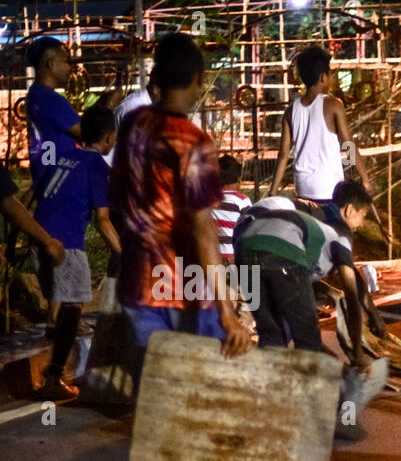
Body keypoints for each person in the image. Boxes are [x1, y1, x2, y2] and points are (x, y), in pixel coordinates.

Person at [111, 32, 252, 364]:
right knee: (205, 392)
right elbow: (204, 231)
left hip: (136, 285)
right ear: (198, 79)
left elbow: (117, 196)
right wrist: (227, 312)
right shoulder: (192, 141)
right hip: (182, 289)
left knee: (156, 394)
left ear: (157, 76)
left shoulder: (132, 124)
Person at [234, 181, 388, 424]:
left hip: (243, 247)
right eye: (362, 217)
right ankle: (312, 415)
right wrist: (357, 353)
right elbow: (352, 296)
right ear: (349, 212)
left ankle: (265, 411)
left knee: (271, 335)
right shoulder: (340, 237)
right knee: (308, 341)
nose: (360, 226)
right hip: (279, 247)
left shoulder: (314, 233)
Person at [31, 106, 121, 402]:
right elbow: (103, 220)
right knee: (73, 308)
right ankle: (53, 376)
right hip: (64, 243)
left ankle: (56, 367)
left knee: (67, 308)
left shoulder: (66, 156)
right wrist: (126, 253)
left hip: (39, 237)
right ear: (109, 138)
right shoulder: (97, 165)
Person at [270, 45, 371, 204]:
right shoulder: (333, 104)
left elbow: (283, 156)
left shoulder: (290, 111)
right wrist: (363, 178)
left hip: (302, 189)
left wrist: (272, 190)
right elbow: (347, 144)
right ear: (323, 77)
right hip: (328, 189)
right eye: (330, 74)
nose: (332, 79)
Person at [25, 37, 82, 194]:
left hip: (47, 178)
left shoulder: (35, 94)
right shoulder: (51, 100)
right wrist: (109, 106)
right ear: (51, 64)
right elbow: (86, 132)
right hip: (61, 183)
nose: (69, 67)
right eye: (65, 62)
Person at [213, 155, 252, 264]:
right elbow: (249, 230)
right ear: (239, 178)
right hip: (233, 259)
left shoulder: (208, 201)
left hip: (212, 258)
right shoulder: (242, 201)